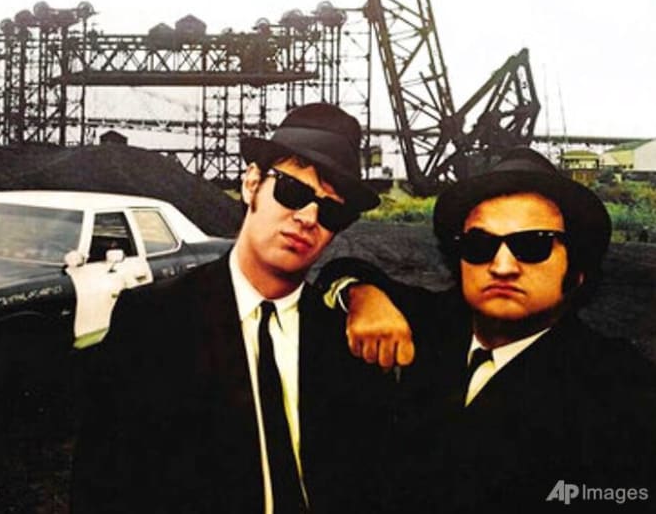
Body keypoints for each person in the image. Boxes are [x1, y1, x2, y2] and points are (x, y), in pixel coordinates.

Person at [71, 103, 393, 513]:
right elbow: (101, 484)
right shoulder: (154, 320)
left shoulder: (347, 336)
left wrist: (363, 287)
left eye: (332, 210)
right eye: (293, 192)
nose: (309, 217)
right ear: (251, 183)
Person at [318, 147, 656, 513]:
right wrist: (361, 295)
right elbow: (342, 269)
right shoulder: (435, 320)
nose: (502, 266)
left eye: (533, 245)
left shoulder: (619, 383)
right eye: (479, 245)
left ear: (577, 271)